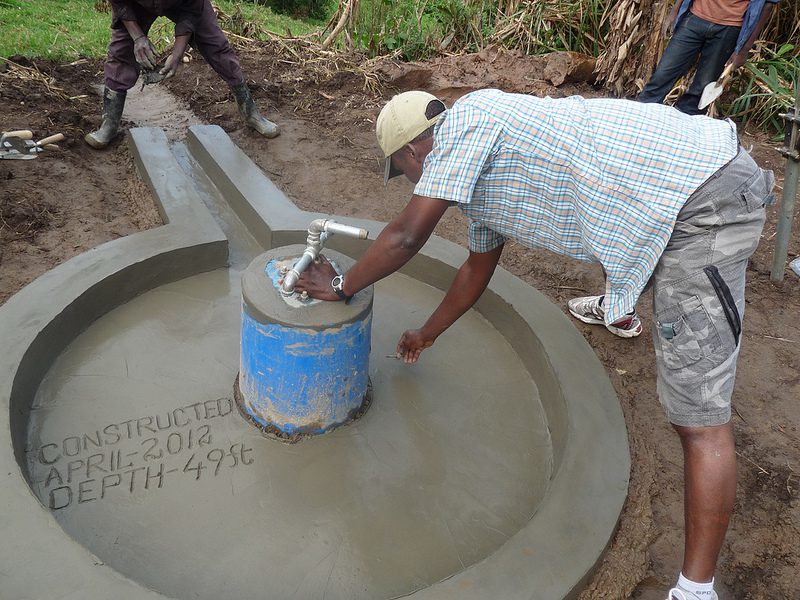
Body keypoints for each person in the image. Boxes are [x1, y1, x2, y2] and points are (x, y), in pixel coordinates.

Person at [294, 89, 775, 600]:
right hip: (672, 185)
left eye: (403, 170)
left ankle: (696, 591)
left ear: (415, 151)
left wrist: (343, 286)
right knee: (647, 281)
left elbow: (406, 236)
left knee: (697, 419)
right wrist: (427, 333)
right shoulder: (480, 173)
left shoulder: (464, 128)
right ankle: (620, 304)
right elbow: (476, 268)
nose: (411, 183)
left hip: (703, 200)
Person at [85, 0, 280, 149]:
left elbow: (191, 9)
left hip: (186, 4)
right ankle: (109, 125)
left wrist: (177, 53)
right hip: (135, 5)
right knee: (121, 52)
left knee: (218, 47)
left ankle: (251, 114)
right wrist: (137, 37)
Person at [638, 0, 779, 115]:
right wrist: (675, 11)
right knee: (662, 75)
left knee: (701, 90)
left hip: (729, 28)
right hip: (693, 19)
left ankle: (683, 134)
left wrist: (744, 49)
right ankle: (639, 121)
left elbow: (768, 5)